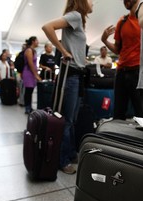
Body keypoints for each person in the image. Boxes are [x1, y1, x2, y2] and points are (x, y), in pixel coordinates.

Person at [42, 0, 94, 174]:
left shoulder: (78, 19)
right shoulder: (75, 15)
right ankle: (63, 160)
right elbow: (47, 26)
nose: (92, 2)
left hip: (77, 74)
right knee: (67, 120)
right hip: (70, 75)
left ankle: (71, 153)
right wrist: (63, 51)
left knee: (72, 120)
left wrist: (81, 59)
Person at [101, 0, 143, 120]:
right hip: (121, 72)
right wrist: (104, 40)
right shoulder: (122, 21)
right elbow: (117, 49)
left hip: (138, 72)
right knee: (118, 113)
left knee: (142, 114)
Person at [22, 36, 42, 114]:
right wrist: (36, 75)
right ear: (33, 41)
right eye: (37, 40)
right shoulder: (29, 50)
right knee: (28, 91)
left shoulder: (33, 51)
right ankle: (27, 108)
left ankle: (29, 107)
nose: (38, 42)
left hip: (32, 73)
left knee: (30, 91)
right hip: (28, 73)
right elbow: (30, 64)